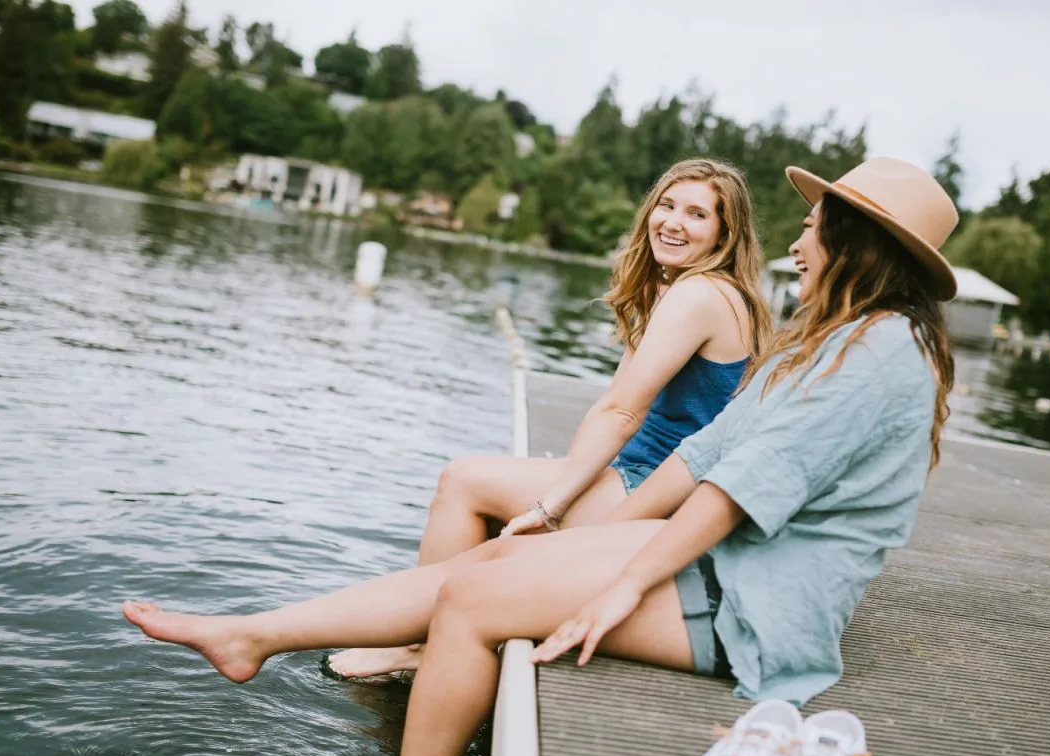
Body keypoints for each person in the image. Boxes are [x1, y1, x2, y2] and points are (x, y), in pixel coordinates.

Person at [123, 156, 959, 756]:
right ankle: (255, 635)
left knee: (473, 599)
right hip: (729, 562)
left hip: (758, 605)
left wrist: (620, 584)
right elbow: (705, 453)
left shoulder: (877, 356)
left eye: (811, 228)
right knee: (498, 560)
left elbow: (737, 490)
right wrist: (586, 537)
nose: (795, 245)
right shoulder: (837, 339)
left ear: (856, 241)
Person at [324, 158, 773, 681]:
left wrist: (551, 504)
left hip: (654, 489)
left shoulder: (699, 294)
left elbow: (622, 412)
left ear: (725, 234)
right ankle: (433, 635)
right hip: (655, 477)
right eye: (666, 205)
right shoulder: (704, 290)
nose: (673, 222)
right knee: (483, 493)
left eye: (697, 214)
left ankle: (417, 646)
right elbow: (625, 399)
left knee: (463, 483)